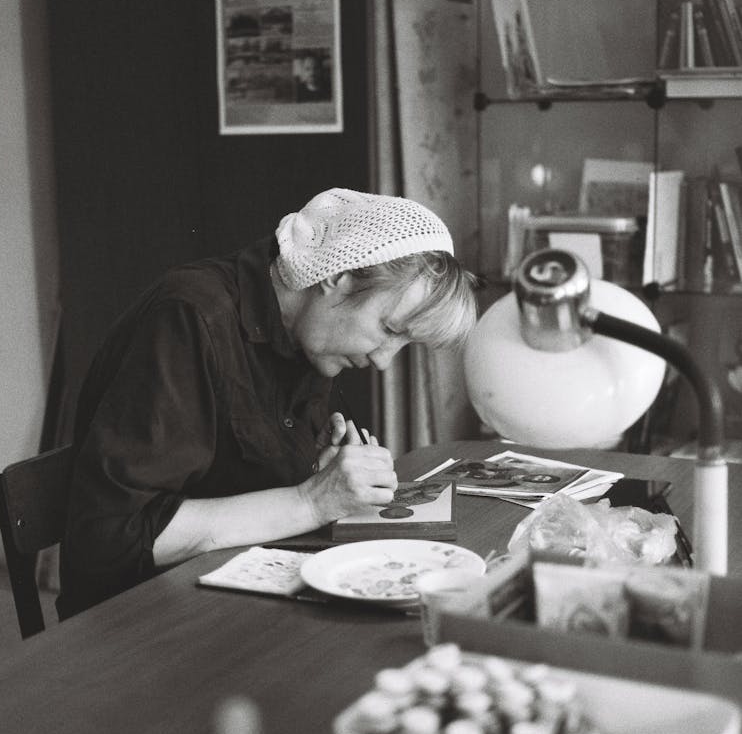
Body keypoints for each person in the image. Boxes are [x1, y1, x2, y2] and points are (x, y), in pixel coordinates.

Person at [57, 187, 478, 618]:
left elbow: (239, 481)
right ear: (338, 276)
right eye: (389, 329)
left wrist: (318, 469)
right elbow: (109, 538)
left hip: (231, 594)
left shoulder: (306, 337)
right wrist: (312, 500)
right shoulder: (189, 318)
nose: (384, 361)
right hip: (133, 623)